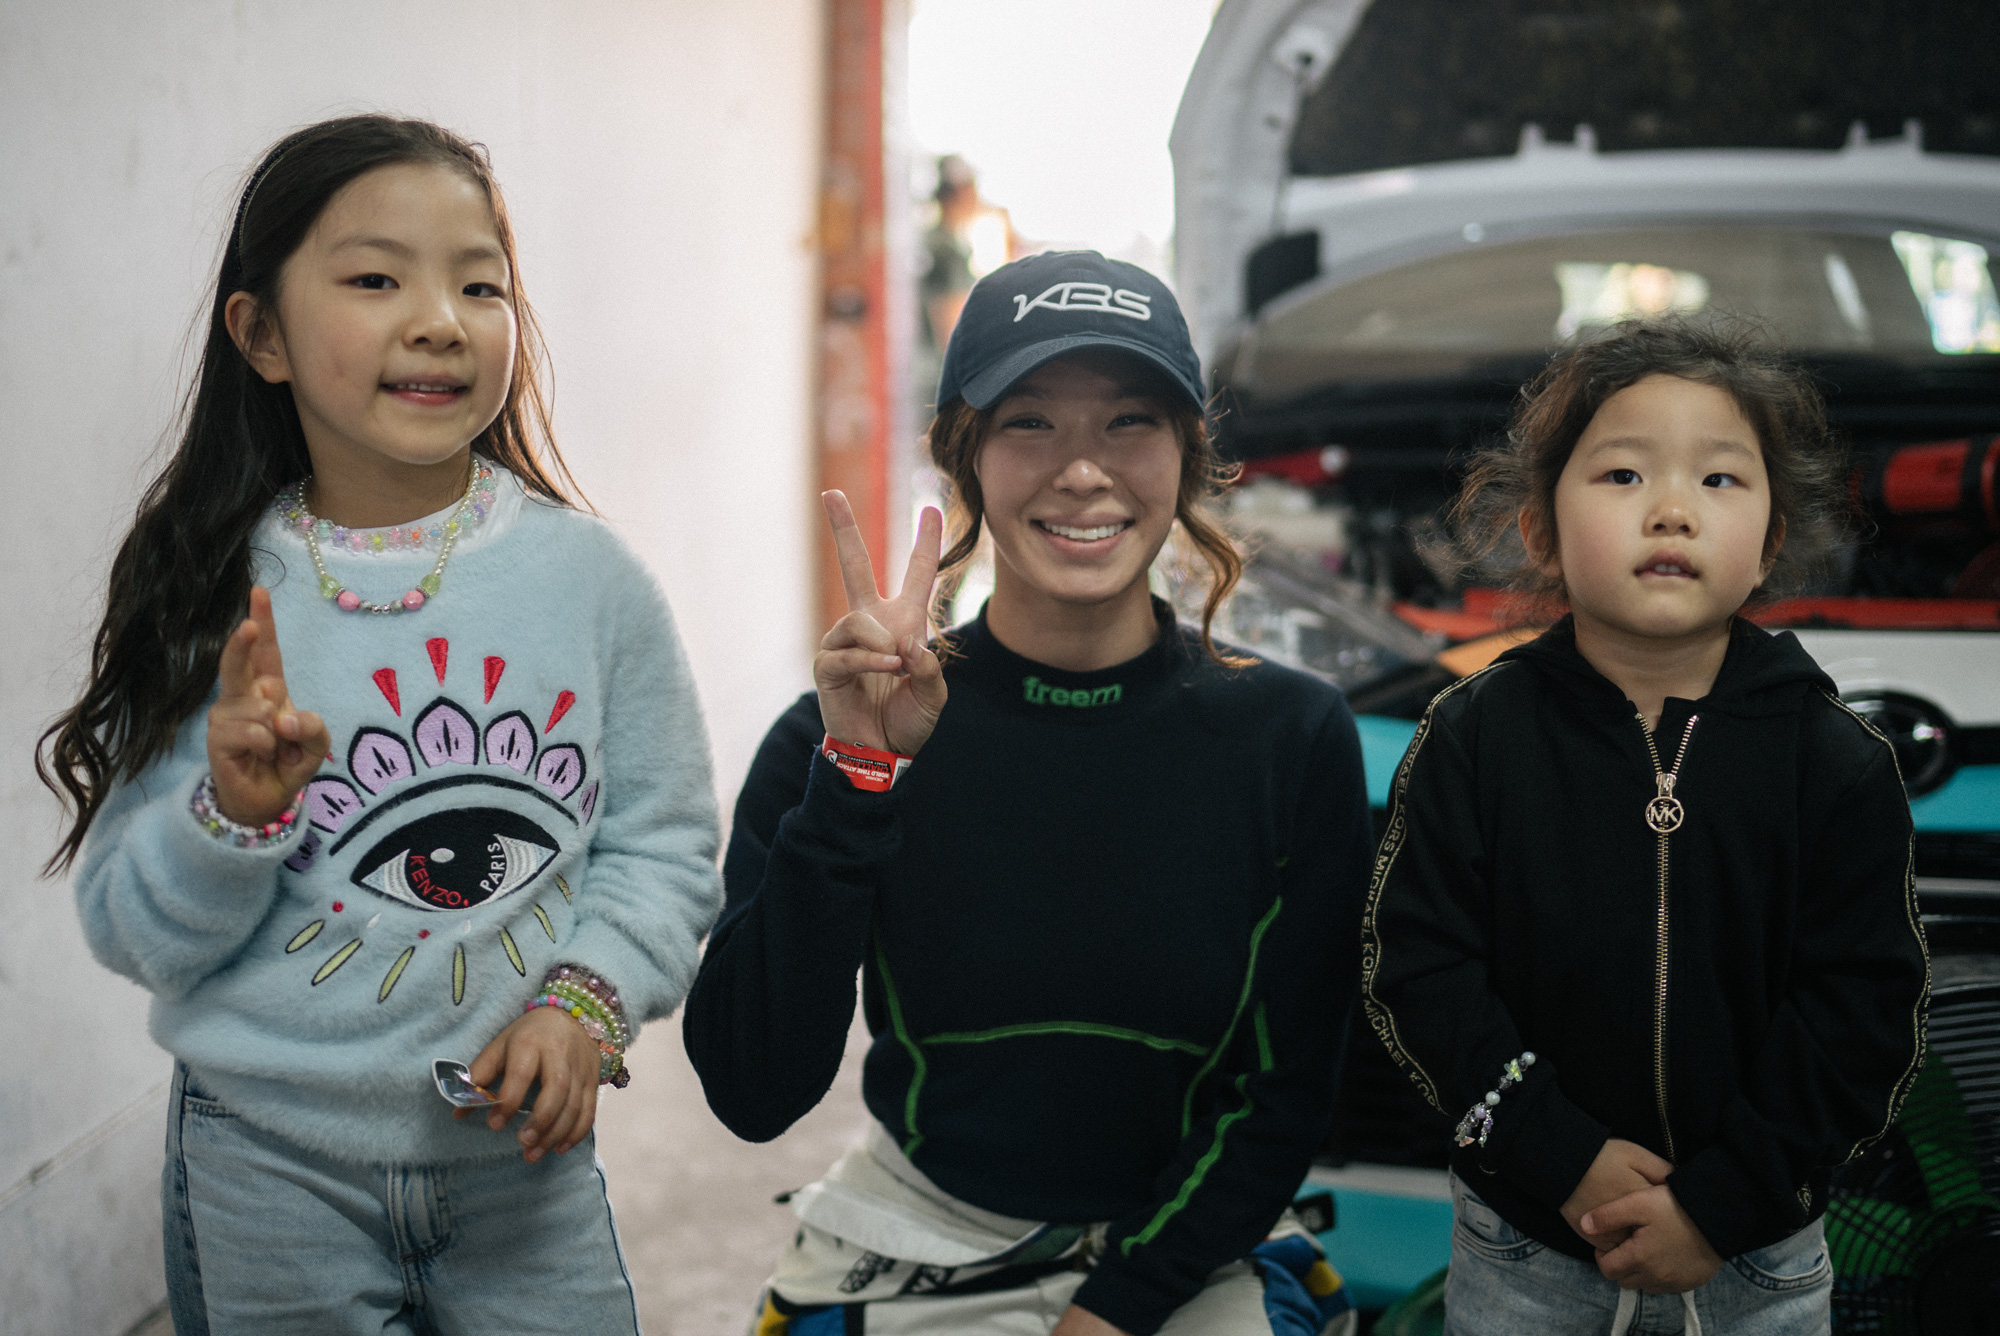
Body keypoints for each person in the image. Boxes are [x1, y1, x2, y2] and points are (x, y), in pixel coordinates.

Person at [38, 115, 721, 1334]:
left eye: (479, 284)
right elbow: (136, 935)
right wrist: (228, 817)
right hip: (267, 1168)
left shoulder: (592, 583)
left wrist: (584, 1002)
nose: (439, 320)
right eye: (373, 279)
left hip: (522, 1164)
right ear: (261, 334)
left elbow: (661, 851)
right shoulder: (208, 590)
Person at [684, 250, 1373, 1336]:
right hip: (921, 1227)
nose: (1083, 470)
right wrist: (858, 780)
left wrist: (1119, 1304)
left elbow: (1284, 1095)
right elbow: (750, 1091)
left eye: (1129, 421)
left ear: (1189, 454)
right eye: (1030, 423)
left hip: (1186, 1242)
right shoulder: (839, 736)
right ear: (963, 456)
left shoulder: (1290, 735)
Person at [1363, 318, 1929, 1334]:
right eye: (1623, 475)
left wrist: (1720, 1202)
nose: (1671, 509)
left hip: (1757, 1262)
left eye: (1719, 479)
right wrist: (1557, 1153)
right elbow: (1420, 973)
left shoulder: (1834, 761)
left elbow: (1861, 1013)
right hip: (1527, 1253)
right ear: (1539, 530)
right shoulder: (1474, 737)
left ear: (1769, 540)